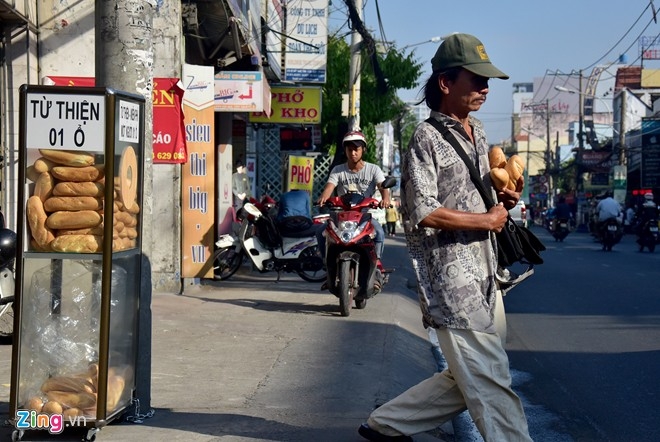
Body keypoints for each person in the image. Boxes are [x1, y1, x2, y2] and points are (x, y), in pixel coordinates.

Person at [357, 33, 532, 442]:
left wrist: (505, 196)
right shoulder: (425, 138)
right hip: (451, 278)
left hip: (487, 271)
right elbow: (423, 211)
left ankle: (387, 425)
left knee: (469, 371)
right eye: (477, 80)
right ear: (446, 83)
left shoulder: (480, 133)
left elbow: (482, 197)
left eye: (488, 81)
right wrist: (485, 221)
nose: (486, 88)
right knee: (489, 377)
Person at [317, 130, 390, 259]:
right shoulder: (338, 170)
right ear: (345, 150)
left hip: (364, 217)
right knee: (320, 232)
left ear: (363, 150)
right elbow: (329, 187)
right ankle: (327, 264)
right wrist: (324, 197)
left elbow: (383, 186)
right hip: (341, 216)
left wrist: (386, 198)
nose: (353, 153)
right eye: (349, 149)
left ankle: (376, 264)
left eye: (356, 149)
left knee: (379, 232)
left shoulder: (373, 169)